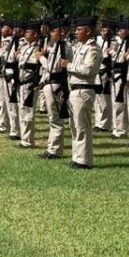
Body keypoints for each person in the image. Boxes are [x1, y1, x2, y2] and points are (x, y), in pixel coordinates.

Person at [62, 17, 102, 169]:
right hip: (75, 89)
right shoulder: (80, 47)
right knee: (75, 126)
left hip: (83, 90)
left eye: (79, 29)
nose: (76, 32)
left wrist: (69, 66)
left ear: (88, 31)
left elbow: (88, 70)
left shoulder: (93, 49)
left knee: (82, 126)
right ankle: (77, 157)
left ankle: (84, 160)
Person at [38, 18, 71, 159]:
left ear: (62, 31)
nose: (51, 33)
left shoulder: (65, 46)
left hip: (57, 85)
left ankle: (55, 150)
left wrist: (41, 58)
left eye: (53, 30)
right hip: (51, 84)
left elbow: (54, 68)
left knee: (55, 119)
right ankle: (51, 148)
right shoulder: (57, 45)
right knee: (52, 118)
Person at [15, 23, 42, 148]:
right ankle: (23, 137)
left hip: (30, 84)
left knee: (28, 112)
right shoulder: (26, 47)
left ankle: (28, 140)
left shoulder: (38, 48)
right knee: (22, 110)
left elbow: (33, 64)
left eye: (28, 33)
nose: (25, 35)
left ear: (35, 34)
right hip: (22, 82)